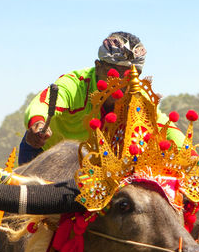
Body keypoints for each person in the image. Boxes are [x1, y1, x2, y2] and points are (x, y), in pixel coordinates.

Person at [18, 31, 185, 164]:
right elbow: (42, 104)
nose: (120, 82)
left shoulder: (139, 96)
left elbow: (165, 127)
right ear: (98, 67)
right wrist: (37, 124)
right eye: (113, 73)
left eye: (128, 75)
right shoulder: (75, 84)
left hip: (96, 165)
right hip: (44, 153)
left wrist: (190, 155)